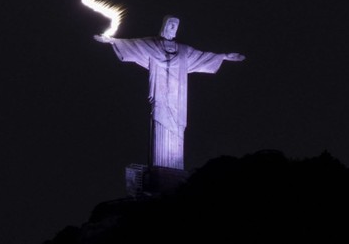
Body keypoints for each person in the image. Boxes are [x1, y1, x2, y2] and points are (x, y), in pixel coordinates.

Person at [94, 15, 245, 170]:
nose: (173, 29)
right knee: (160, 123)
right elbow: (133, 45)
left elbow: (202, 56)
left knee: (177, 129)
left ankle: (174, 171)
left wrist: (225, 57)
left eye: (176, 26)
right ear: (164, 27)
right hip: (160, 96)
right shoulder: (152, 45)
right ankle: (160, 170)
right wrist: (112, 40)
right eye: (171, 25)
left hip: (178, 100)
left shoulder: (184, 51)